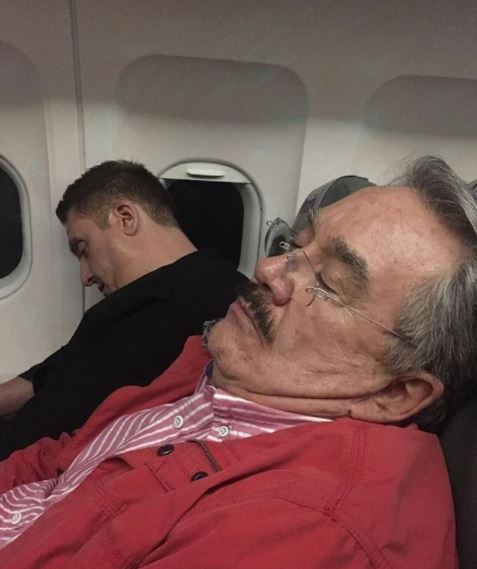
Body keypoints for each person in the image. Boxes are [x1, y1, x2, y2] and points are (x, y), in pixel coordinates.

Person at [0, 156, 474, 568]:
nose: (266, 270)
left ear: (396, 393)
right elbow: (66, 458)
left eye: (328, 282)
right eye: (295, 245)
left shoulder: (301, 533)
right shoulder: (219, 360)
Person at [0, 160, 246, 459]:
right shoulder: (208, 285)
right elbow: (53, 373)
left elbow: (44, 429)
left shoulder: (159, 318)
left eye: (83, 249)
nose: (85, 276)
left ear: (126, 217)